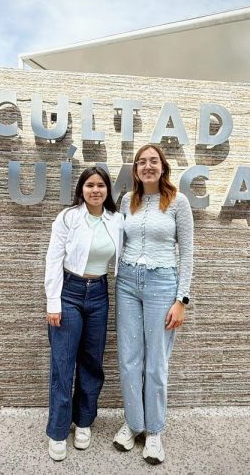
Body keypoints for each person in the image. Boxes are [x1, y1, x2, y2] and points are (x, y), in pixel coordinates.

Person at [112, 144, 194, 465]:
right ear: (135, 170)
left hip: (162, 284)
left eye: (153, 161)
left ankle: (155, 430)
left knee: (156, 361)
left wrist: (182, 299)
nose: (147, 166)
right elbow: (119, 241)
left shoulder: (178, 202)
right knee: (129, 358)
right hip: (127, 283)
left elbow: (187, 252)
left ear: (163, 167)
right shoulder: (126, 201)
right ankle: (134, 424)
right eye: (141, 162)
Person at [44, 166, 124, 461]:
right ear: (81, 189)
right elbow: (53, 259)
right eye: (90, 185)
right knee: (63, 363)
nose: (95, 190)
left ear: (107, 190)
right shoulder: (67, 217)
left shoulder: (116, 220)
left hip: (99, 293)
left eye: (100, 185)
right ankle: (57, 430)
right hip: (70, 292)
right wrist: (53, 302)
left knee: (92, 362)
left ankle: (84, 422)